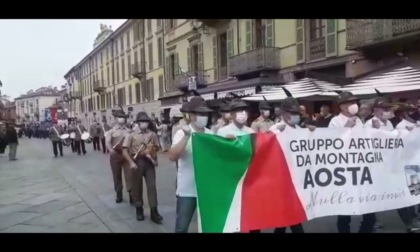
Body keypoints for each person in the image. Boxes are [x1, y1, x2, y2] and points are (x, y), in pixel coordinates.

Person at [328, 91, 376, 233]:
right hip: (345, 171)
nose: (353, 105)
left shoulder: (359, 121)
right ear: (342, 106)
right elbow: (331, 144)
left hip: (361, 170)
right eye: (349, 102)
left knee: (369, 212)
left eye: (354, 102)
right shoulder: (335, 122)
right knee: (345, 211)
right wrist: (345, 129)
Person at [169, 96, 213, 233]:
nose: (203, 117)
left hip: (206, 190)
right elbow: (172, 156)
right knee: (181, 227)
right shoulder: (182, 133)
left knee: (208, 226)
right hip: (187, 190)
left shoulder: (211, 134)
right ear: (192, 115)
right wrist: (186, 137)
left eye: (205, 114)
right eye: (200, 114)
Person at [122, 111, 162, 223]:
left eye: (146, 122)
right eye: (142, 122)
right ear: (138, 123)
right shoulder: (131, 135)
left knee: (152, 187)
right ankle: (139, 209)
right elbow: (125, 151)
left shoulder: (152, 134)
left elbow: (157, 147)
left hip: (149, 162)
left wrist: (150, 151)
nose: (145, 124)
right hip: (137, 162)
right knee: (137, 187)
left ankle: (154, 211)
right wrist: (131, 163)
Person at [105, 107, 132, 204]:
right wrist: (111, 150)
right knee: (116, 175)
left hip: (126, 155)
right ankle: (119, 193)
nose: (122, 119)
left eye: (123, 117)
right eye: (120, 117)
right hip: (116, 155)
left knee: (129, 175)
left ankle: (131, 194)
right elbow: (107, 142)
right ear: (116, 118)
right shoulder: (111, 131)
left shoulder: (128, 130)